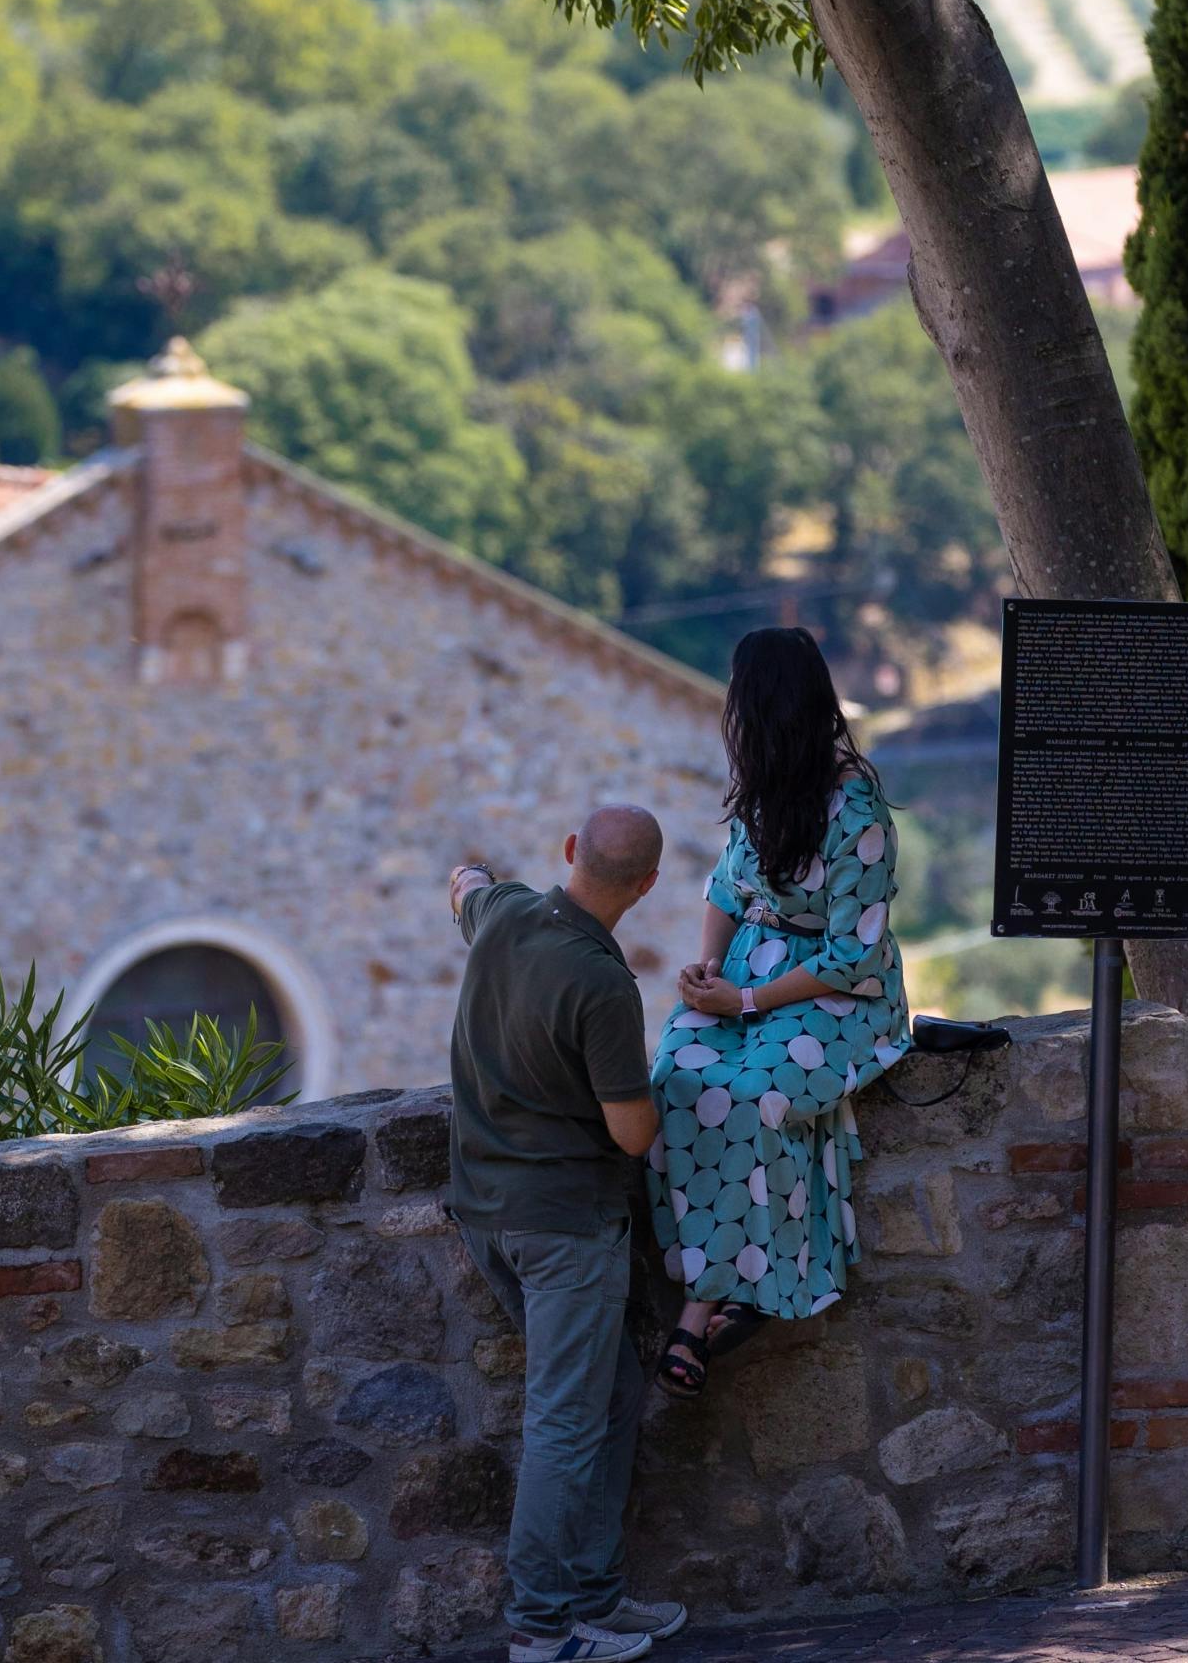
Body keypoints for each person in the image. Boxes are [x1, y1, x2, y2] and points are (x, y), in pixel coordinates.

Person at [449, 808, 688, 1663]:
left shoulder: (506, 912)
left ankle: (595, 1597)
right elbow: (632, 1134)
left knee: (612, 1394)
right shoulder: (601, 983)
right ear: (648, 885)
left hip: (486, 1213)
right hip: (565, 1226)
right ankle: (543, 1631)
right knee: (563, 1422)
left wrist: (474, 871)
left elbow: (466, 887)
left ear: (568, 855)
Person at [648, 625, 912, 1397]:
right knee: (675, 1074)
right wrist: (707, 968)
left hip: (839, 998)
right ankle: (731, 1276)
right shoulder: (762, 787)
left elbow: (853, 956)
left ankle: (710, 1307)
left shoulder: (856, 809)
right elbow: (728, 889)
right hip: (746, 978)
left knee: (753, 1097)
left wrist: (750, 999)